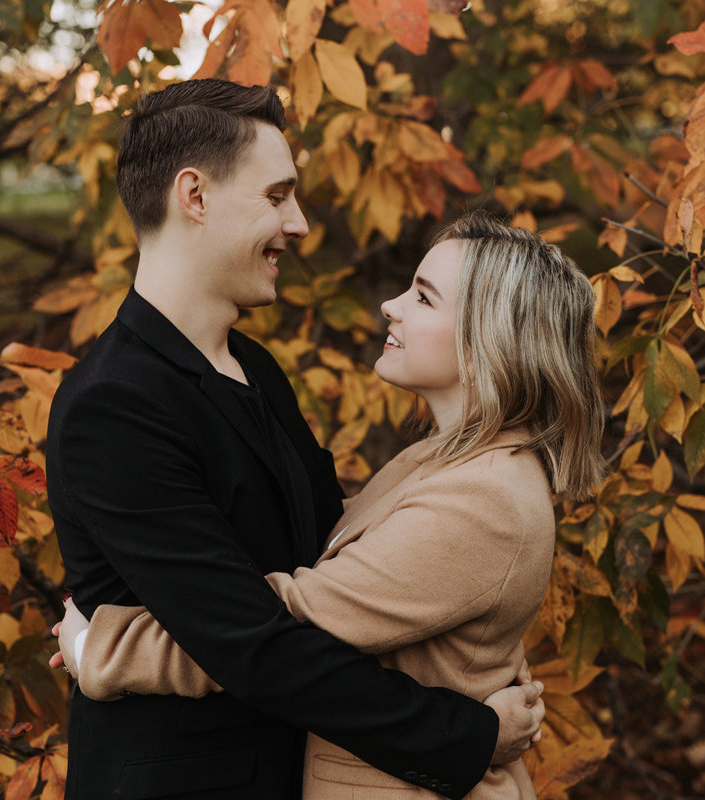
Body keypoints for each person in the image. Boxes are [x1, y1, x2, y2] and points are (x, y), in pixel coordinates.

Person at [45, 79, 549, 800]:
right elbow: (253, 644)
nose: (301, 223)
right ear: (195, 197)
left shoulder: (252, 367)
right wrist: (465, 735)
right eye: (277, 196)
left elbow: (330, 559)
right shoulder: (115, 404)